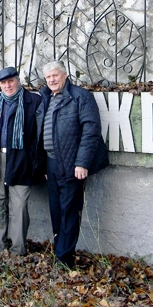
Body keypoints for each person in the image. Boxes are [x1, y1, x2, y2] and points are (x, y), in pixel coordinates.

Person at [38, 61, 109, 269]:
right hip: (51, 163)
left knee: (69, 212)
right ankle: (59, 252)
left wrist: (82, 163)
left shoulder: (80, 96)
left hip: (72, 164)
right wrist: (43, 166)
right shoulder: (45, 97)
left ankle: (64, 260)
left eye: (55, 75)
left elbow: (91, 131)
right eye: (48, 77)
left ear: (65, 75)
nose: (52, 80)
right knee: (56, 211)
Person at [0, 66, 42, 257]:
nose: (7, 85)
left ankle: (18, 249)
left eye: (10, 81)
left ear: (18, 81)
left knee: (19, 207)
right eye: (3, 83)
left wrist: (33, 159)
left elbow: (40, 135)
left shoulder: (33, 101)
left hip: (21, 161)